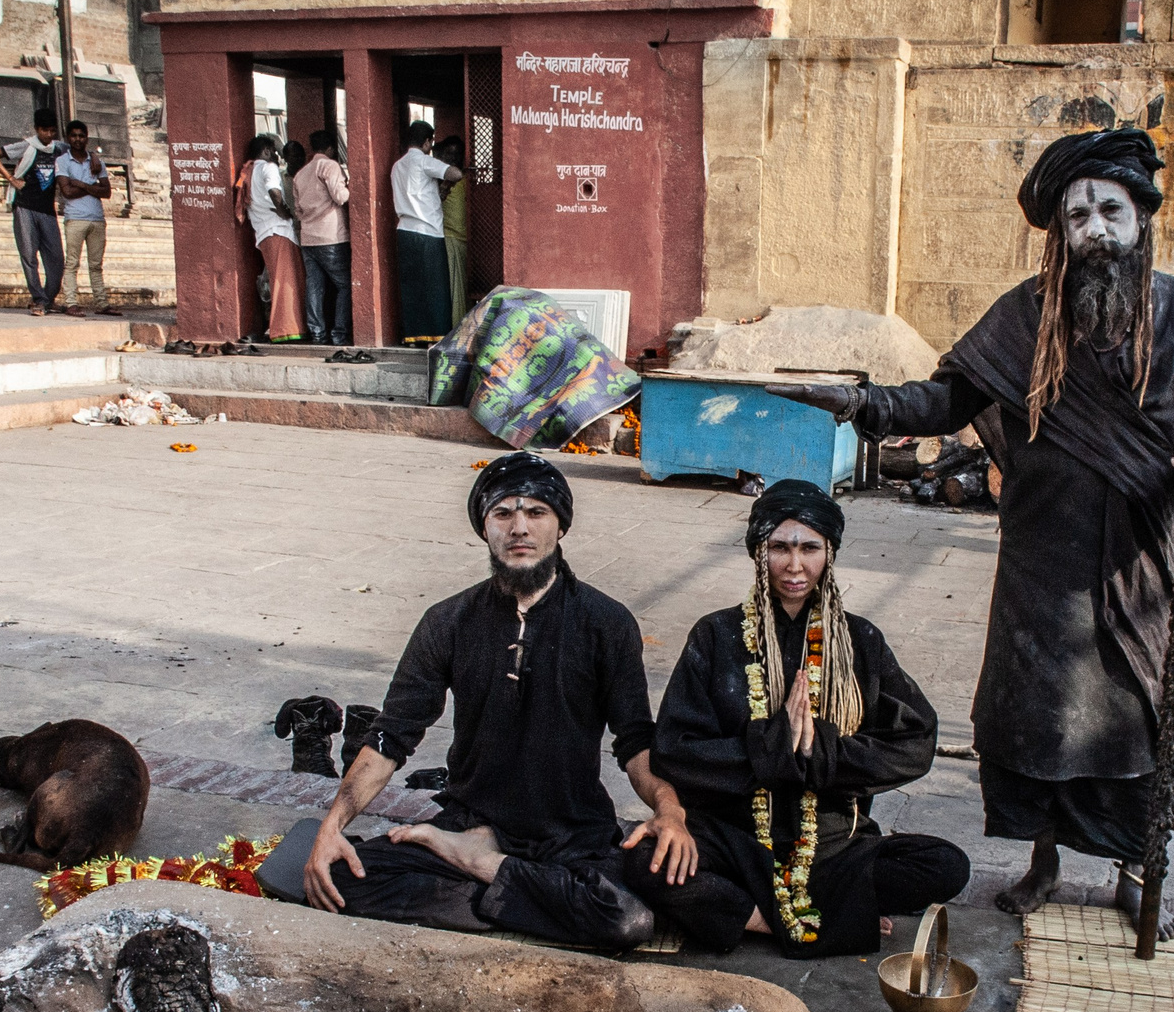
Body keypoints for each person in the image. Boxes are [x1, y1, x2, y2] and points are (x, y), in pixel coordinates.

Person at [768, 129, 1174, 935]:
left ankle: (1134, 866)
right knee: (1039, 715)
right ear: (1059, 231)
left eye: (1110, 211)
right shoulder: (1024, 318)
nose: (1095, 228)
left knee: (1133, 722)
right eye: (1077, 214)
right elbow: (941, 401)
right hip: (1040, 562)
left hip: (1137, 562)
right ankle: (1044, 860)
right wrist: (860, 404)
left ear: (1142, 218)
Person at [300, 454, 695, 950]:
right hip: (471, 820)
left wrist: (670, 811)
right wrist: (331, 828)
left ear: (560, 526)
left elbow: (635, 742)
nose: (519, 528)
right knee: (337, 877)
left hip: (571, 835)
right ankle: (517, 890)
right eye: (503, 514)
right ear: (484, 528)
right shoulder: (448, 621)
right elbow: (390, 736)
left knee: (626, 920)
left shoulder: (606, 623)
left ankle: (480, 869)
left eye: (536, 512)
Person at [628, 479, 970, 958]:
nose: (794, 565)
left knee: (946, 864)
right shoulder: (716, 634)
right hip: (737, 838)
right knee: (644, 858)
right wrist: (773, 742)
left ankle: (795, 905)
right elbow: (676, 751)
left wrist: (816, 749)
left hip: (833, 844)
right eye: (780, 548)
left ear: (829, 554)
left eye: (810, 548)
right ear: (758, 553)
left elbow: (916, 741)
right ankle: (771, 920)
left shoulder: (858, 640)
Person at [0, 110, 65, 317]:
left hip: (47, 209)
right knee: (29, 255)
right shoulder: (27, 145)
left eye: (52, 131)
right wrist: (11, 179)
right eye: (44, 130)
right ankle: (39, 299)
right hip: (25, 206)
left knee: (56, 258)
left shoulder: (59, 149)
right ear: (37, 130)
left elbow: (81, 153)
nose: (48, 135)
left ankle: (47, 299)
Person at [389, 121, 461, 344]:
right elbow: (455, 174)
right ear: (427, 142)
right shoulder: (424, 161)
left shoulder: (397, 166)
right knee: (435, 287)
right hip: (428, 232)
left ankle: (414, 335)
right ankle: (437, 336)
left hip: (405, 231)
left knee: (412, 288)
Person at [237, 131, 302, 342]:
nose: (277, 155)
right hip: (278, 230)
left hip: (264, 232)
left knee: (279, 279)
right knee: (286, 281)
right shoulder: (268, 167)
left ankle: (287, 327)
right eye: (274, 151)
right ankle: (285, 329)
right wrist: (284, 210)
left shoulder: (249, 170)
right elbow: (275, 192)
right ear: (266, 151)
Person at [53, 118, 120, 316]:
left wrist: (81, 184)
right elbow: (67, 192)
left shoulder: (96, 162)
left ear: (87, 138)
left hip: (97, 218)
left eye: (81, 136)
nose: (77, 139)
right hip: (75, 218)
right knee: (72, 263)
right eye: (73, 136)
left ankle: (102, 304)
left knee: (96, 265)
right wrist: (93, 188)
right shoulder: (62, 161)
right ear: (68, 138)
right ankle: (71, 302)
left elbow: (106, 192)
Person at [292, 128, 352, 346]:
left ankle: (317, 334)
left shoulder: (300, 173)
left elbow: (298, 210)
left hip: (308, 237)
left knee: (315, 287)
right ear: (330, 149)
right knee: (345, 285)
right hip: (331, 236)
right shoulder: (330, 166)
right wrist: (349, 186)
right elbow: (341, 196)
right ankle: (340, 334)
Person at [437, 133, 471, 327]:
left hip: (461, 238)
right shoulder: (440, 179)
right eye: (448, 154)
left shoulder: (464, 180)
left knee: (459, 286)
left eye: (455, 154)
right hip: (447, 236)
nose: (452, 158)